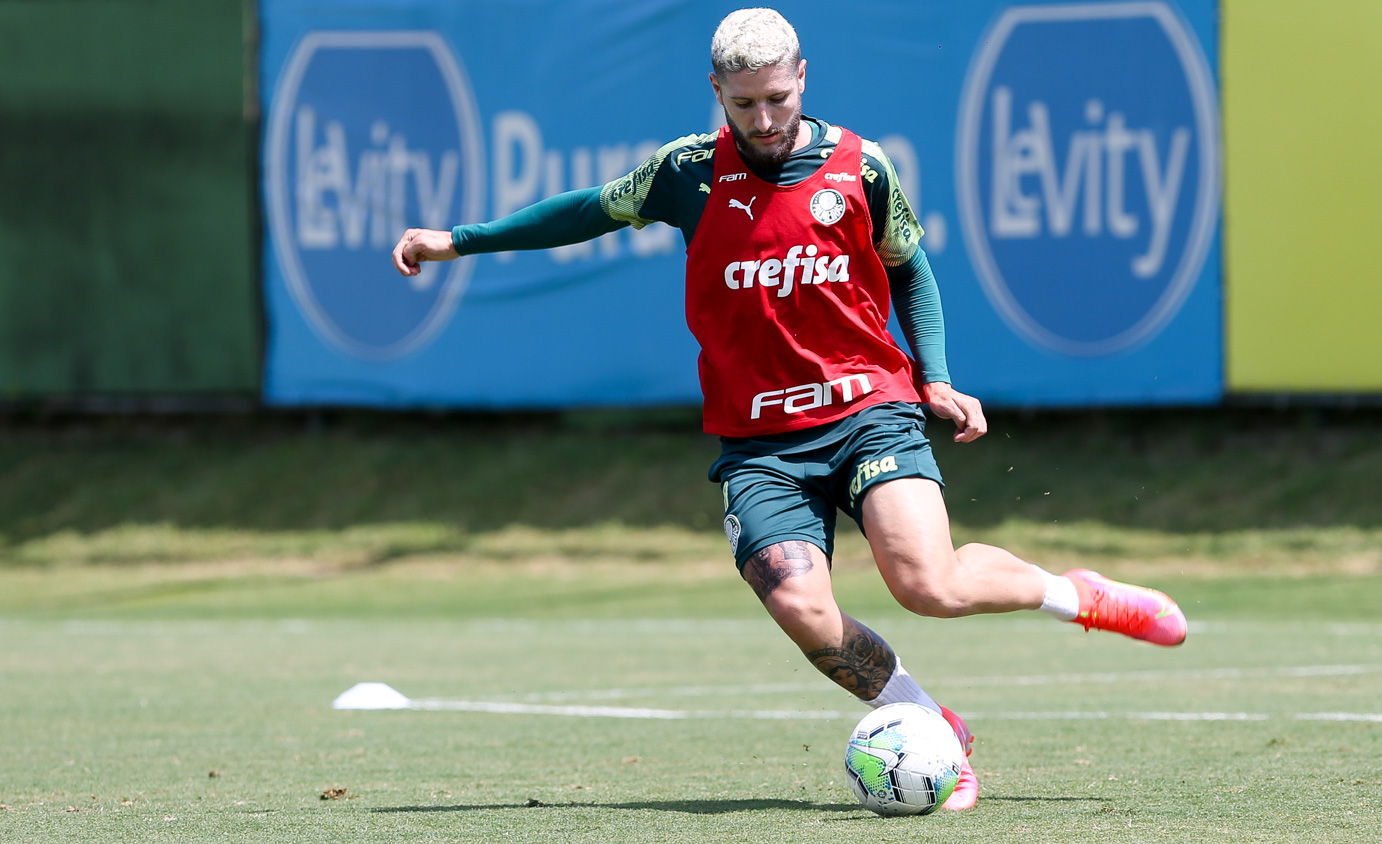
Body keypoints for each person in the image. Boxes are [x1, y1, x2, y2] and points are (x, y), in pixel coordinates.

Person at [393, 7, 1186, 811]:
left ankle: (1077, 596)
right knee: (804, 611)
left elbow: (910, 269)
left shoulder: (861, 167)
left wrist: (937, 377)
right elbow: (588, 210)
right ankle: (931, 727)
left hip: (868, 409)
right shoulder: (686, 172)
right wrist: (460, 239)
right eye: (745, 104)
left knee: (929, 585)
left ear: (802, 77)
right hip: (760, 445)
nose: (765, 119)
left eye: (778, 98)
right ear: (716, 90)